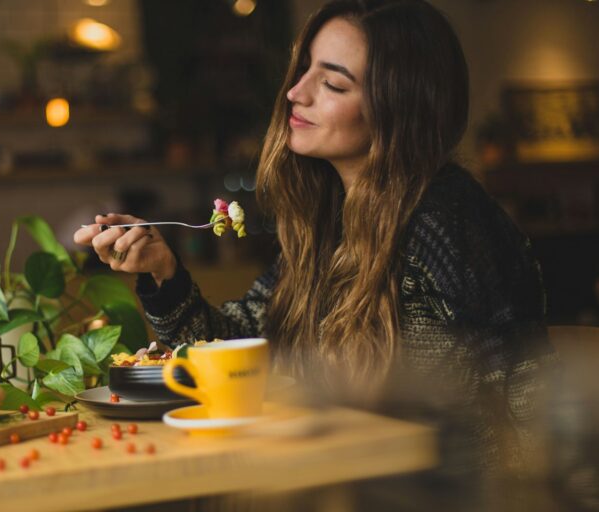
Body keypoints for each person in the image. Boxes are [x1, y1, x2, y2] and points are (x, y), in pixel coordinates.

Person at [74, 0, 555, 502]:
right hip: (346, 482)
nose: (294, 92)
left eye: (332, 83)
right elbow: (243, 350)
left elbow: (505, 403)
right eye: (304, 69)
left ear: (399, 109)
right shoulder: (333, 222)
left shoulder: (443, 223)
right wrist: (162, 270)